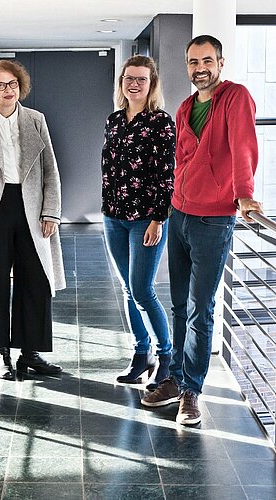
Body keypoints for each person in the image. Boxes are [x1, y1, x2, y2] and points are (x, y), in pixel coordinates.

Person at [141, 35, 263, 425]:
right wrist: (169, 205)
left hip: (214, 219)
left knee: (200, 309)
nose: (200, 68)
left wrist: (244, 195)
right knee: (179, 304)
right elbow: (181, 159)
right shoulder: (184, 107)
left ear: (221, 63)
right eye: (193, 62)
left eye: (207, 61)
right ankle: (175, 379)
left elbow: (243, 147)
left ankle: (192, 390)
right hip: (180, 214)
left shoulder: (235, 98)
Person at [0, 59, 65, 379]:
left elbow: (50, 169)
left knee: (35, 279)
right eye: (1, 85)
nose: (8, 91)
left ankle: (29, 353)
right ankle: (1, 353)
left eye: (13, 84)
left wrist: (51, 211)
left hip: (31, 207)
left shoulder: (35, 120)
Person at [101, 55, 175, 387]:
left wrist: (159, 220)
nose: (134, 84)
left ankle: (165, 357)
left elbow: (166, 175)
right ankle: (140, 355)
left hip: (146, 218)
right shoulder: (114, 120)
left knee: (143, 290)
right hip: (113, 216)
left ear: (151, 84)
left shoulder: (161, 122)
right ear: (122, 83)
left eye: (141, 79)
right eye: (129, 79)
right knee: (129, 289)